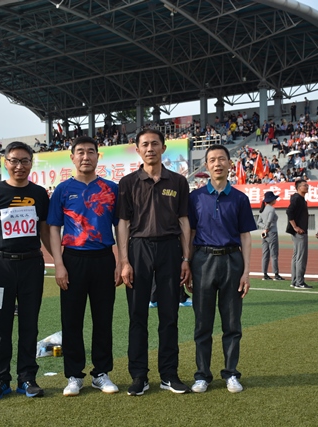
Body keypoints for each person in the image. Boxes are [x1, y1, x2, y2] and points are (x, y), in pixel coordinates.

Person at [117, 129, 192, 396]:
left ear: (163, 148)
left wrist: (186, 258)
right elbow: (123, 223)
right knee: (137, 316)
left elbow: (184, 221)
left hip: (170, 249)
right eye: (145, 145)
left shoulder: (178, 181)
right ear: (137, 149)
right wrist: (124, 261)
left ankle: (169, 375)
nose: (150, 148)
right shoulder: (127, 182)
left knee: (169, 315)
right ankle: (139, 376)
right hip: (138, 249)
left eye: (155, 144)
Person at [0, 141, 51, 400]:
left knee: (29, 325)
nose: (20, 166)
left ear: (31, 163)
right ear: (6, 163)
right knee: (1, 327)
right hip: (0, 267)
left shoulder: (39, 194)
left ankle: (27, 379)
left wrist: (60, 261)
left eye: (25, 161)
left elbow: (44, 232)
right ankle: (0, 380)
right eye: (14, 161)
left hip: (32, 266)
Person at [48, 136, 121, 396]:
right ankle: (73, 375)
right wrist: (58, 264)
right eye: (80, 152)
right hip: (73, 260)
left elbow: (120, 226)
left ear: (98, 156)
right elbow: (53, 228)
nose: (86, 156)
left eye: (91, 152)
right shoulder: (63, 190)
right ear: (72, 157)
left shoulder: (111, 189)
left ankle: (101, 373)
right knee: (71, 321)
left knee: (103, 319)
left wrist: (120, 261)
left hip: (104, 259)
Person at [187, 145, 255, 394]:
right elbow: (191, 233)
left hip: (232, 262)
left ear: (229, 164)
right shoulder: (195, 198)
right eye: (212, 160)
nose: (217, 164)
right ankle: (202, 375)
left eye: (222, 159)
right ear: (206, 165)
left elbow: (245, 236)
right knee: (202, 324)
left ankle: (231, 373)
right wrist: (188, 264)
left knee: (232, 323)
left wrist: (246, 271)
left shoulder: (240, 198)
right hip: (202, 261)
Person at [286, 179, 311, 289]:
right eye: (305, 185)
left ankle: (295, 281)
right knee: (301, 257)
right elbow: (289, 211)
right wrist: (295, 227)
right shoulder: (297, 198)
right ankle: (299, 282)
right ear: (299, 187)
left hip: (298, 232)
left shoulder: (300, 199)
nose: (307, 187)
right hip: (299, 232)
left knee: (296, 256)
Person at [258, 191, 282, 280]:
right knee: (274, 254)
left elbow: (259, 222)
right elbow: (270, 220)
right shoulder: (271, 209)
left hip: (264, 234)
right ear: (272, 200)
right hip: (272, 233)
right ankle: (276, 274)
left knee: (265, 254)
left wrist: (264, 228)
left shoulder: (263, 209)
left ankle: (264, 274)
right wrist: (267, 228)